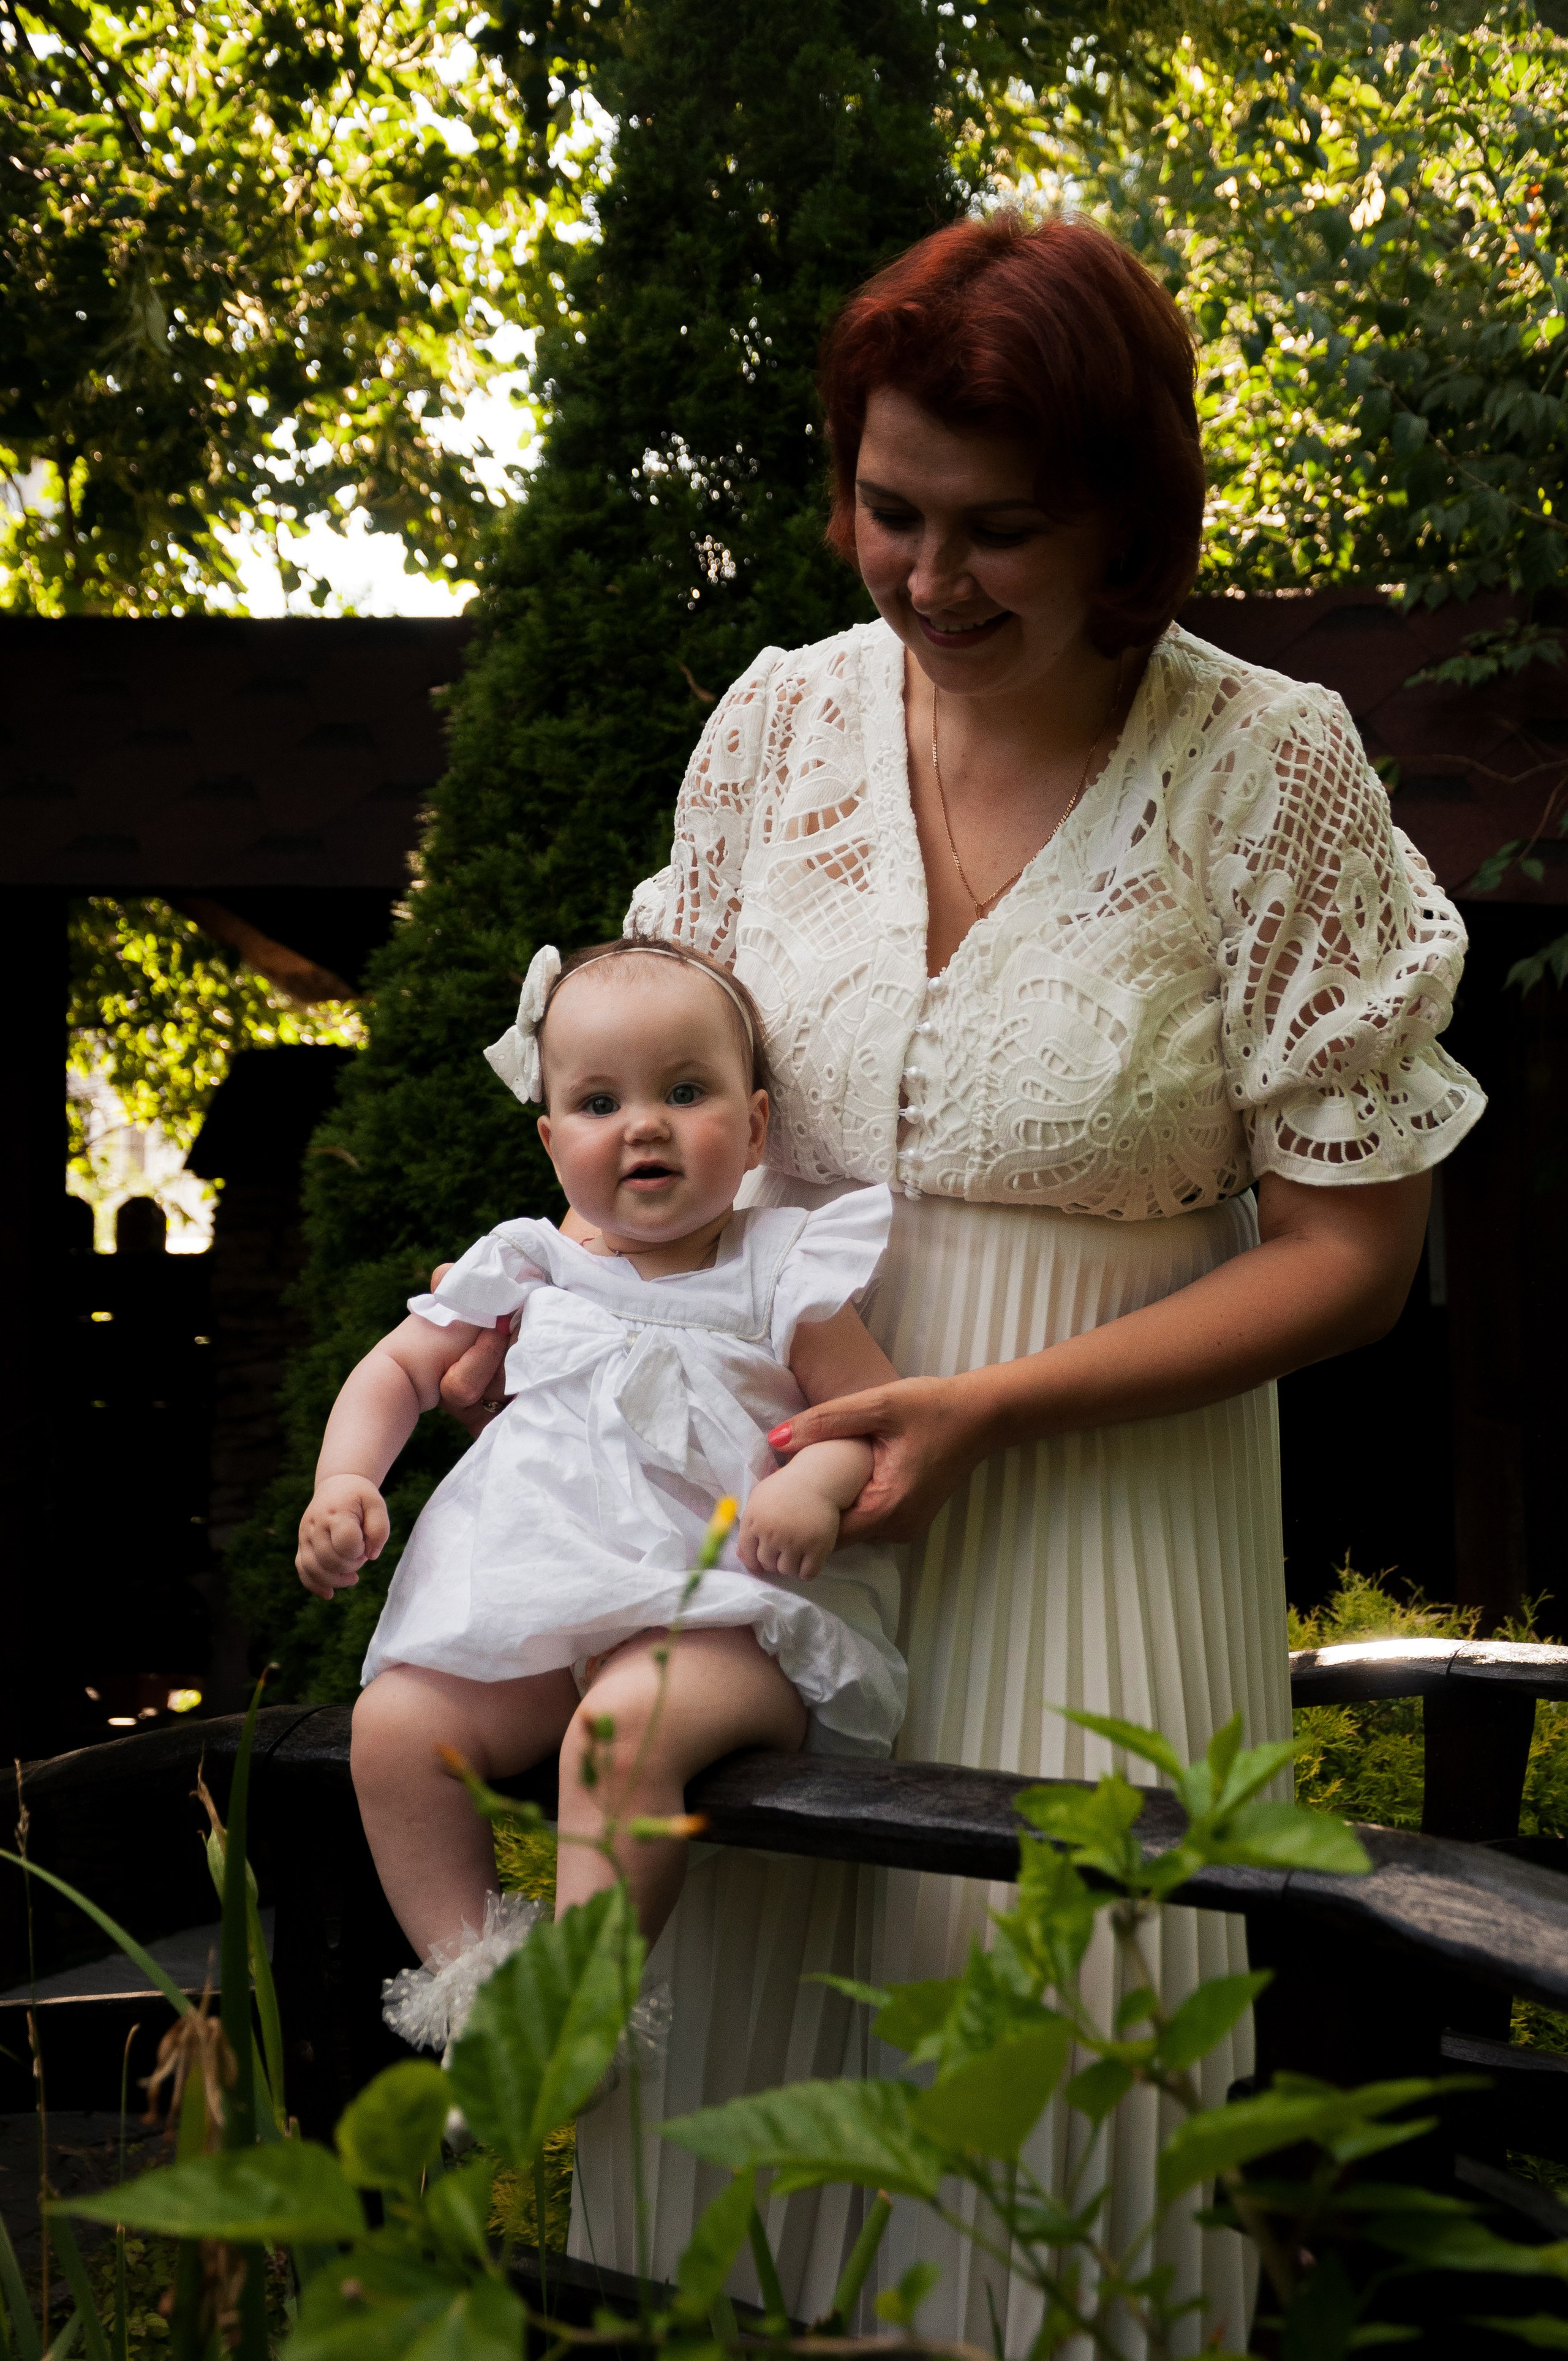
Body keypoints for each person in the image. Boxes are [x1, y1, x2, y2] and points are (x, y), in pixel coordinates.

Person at [445, 212, 1484, 2348]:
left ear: (1130, 514)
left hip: (1103, 1516)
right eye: (887, 509)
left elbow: (1356, 1256)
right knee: (744, 2088)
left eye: (998, 527)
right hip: (777, 1520)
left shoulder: (1268, 770)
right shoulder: (771, 729)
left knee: (1041, 2112)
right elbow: (662, 1125)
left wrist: (982, 1407)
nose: (926, 578)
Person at [296, 936, 907, 2050]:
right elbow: (398, 1368)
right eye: (597, 1101)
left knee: (618, 1739)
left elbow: (870, 1416)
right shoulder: (528, 1262)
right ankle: (478, 1984)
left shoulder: (785, 1271)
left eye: (685, 1091)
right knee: (394, 1728)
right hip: (536, 1605)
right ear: (550, 1140)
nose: (644, 1125)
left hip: (720, 1613)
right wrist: (346, 1480)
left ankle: (581, 2011)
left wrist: (813, 1485)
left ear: (757, 1126)